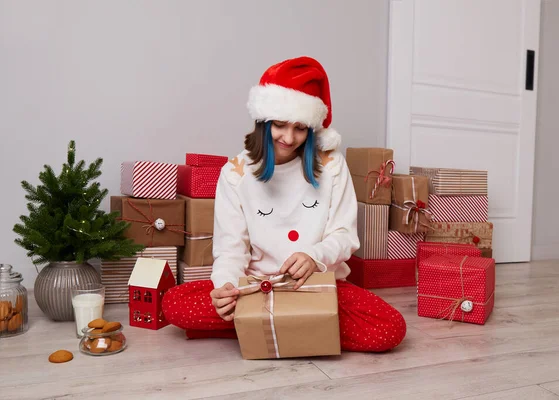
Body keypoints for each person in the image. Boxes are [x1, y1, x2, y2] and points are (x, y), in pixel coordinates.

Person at [162, 56, 406, 352]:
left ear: (312, 128)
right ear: (263, 122)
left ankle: (260, 325)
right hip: (255, 288)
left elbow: (344, 235)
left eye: (301, 128)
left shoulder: (332, 165)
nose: (289, 138)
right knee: (174, 304)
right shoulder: (235, 173)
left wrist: (314, 256)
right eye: (279, 125)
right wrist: (225, 286)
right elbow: (231, 248)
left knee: (389, 328)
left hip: (317, 286)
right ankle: (305, 327)